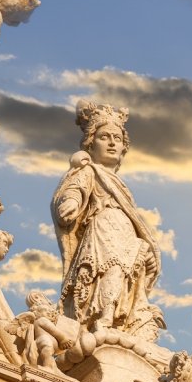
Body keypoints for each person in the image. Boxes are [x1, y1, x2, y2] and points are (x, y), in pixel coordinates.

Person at [51, 100, 163, 340]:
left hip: (125, 235)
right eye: (105, 137)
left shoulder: (121, 185)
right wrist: (70, 203)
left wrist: (147, 250)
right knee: (110, 270)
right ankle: (102, 320)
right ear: (91, 143)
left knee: (125, 275)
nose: (112, 143)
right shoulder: (89, 171)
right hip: (103, 230)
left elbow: (134, 221)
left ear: (124, 147)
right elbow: (76, 189)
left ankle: (121, 321)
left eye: (118, 138)